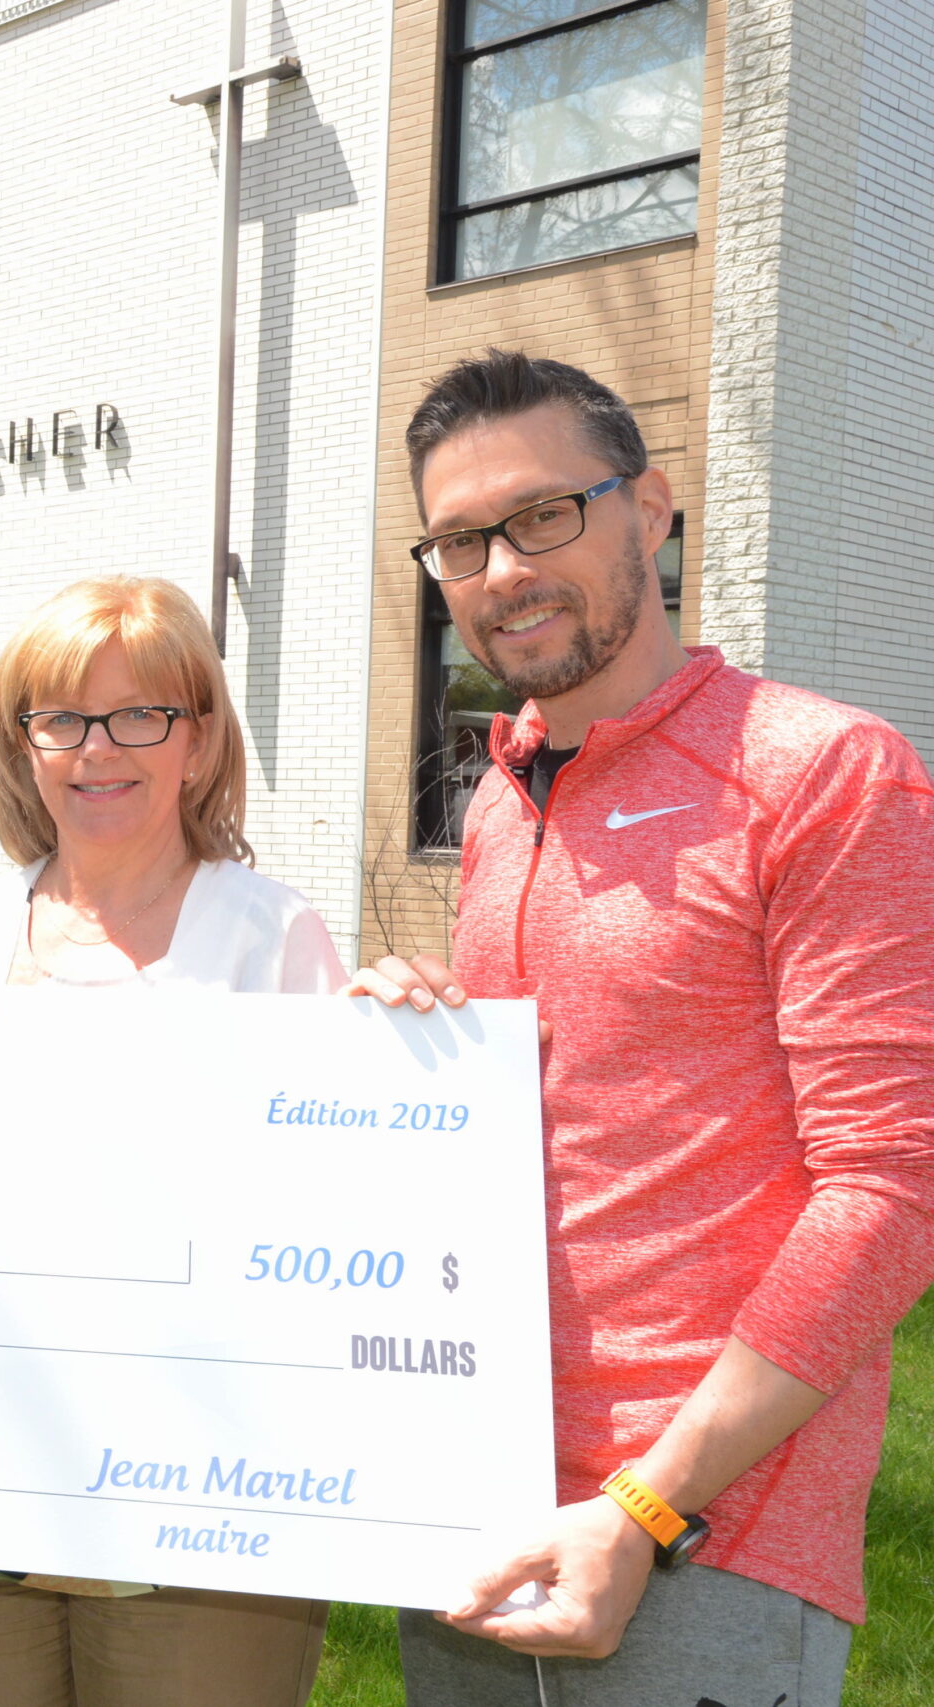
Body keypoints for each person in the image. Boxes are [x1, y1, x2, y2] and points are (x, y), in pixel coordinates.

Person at [348, 350, 934, 1706]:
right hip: (478, 1504)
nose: (503, 568)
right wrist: (410, 1042)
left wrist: (647, 1508)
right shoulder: (500, 802)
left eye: (545, 513)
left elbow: (891, 1188)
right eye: (460, 538)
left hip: (706, 1540)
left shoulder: (822, 773)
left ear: (651, 509)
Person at [0, 572, 338, 1707]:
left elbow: (334, 1209)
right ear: (23, 747)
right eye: (62, 720)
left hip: (204, 1501)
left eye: (142, 714)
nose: (100, 749)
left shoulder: (272, 936)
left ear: (198, 738)